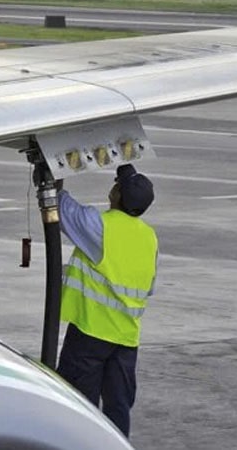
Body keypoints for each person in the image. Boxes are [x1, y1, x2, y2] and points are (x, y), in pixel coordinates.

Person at [55, 163, 158, 437]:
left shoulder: (101, 227)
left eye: (117, 184)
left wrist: (53, 171)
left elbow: (62, 209)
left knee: (78, 405)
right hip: (126, 339)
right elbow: (148, 288)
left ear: (118, 196)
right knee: (118, 409)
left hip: (90, 334)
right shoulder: (149, 237)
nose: (112, 186)